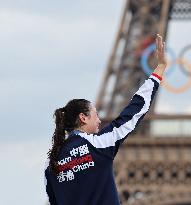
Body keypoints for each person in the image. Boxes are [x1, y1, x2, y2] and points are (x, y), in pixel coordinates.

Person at [44, 34, 167, 205]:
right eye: (95, 115)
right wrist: (159, 69)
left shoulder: (51, 164)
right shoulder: (99, 144)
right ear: (83, 118)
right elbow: (133, 111)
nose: (100, 121)